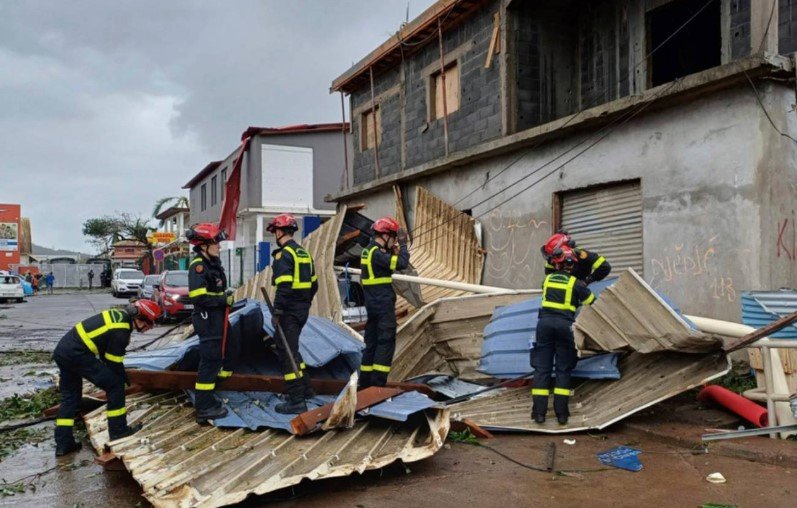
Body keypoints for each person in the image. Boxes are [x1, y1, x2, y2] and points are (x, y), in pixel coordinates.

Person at [52, 299, 161, 456]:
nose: (150, 328)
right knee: (115, 386)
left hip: (63, 352)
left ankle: (63, 444)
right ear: (141, 318)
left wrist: (119, 372)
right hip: (77, 355)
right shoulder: (122, 329)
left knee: (70, 399)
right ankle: (118, 431)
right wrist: (121, 377)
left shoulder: (118, 316)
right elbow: (112, 361)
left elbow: (105, 353)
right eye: (150, 323)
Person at [531, 247, 595, 425]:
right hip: (565, 327)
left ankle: (539, 414)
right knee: (563, 370)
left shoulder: (547, 280)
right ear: (572, 266)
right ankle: (562, 415)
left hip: (544, 325)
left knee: (542, 369)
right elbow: (591, 302)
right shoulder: (576, 283)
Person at [267, 214, 318, 414]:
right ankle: (305, 389)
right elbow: (315, 284)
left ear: (279, 232)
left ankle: (296, 400)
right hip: (301, 309)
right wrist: (304, 302)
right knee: (293, 349)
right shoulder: (303, 253)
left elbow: (284, 286)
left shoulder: (284, 255)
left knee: (286, 352)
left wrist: (278, 311)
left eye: (275, 231)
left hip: (288, 311)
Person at [186, 223, 234, 423]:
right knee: (210, 360)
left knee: (219, 356)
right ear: (203, 245)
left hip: (216, 318)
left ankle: (209, 397)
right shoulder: (198, 266)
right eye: (216, 243)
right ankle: (204, 407)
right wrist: (223, 300)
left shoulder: (212, 264)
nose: (219, 246)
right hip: (207, 319)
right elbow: (198, 297)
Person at [359, 217, 409, 388]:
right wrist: (403, 246)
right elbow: (402, 263)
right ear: (386, 236)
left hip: (372, 305)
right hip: (383, 305)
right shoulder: (378, 253)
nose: (394, 241)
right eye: (394, 237)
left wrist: (391, 252)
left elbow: (383, 267)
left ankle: (364, 385)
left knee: (371, 344)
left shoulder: (369, 251)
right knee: (385, 343)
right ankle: (377, 386)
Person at [540, 231, 611, 285]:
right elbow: (549, 275)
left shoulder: (581, 255)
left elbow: (605, 267)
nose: (553, 261)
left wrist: (587, 281)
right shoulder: (551, 260)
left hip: (580, 291)